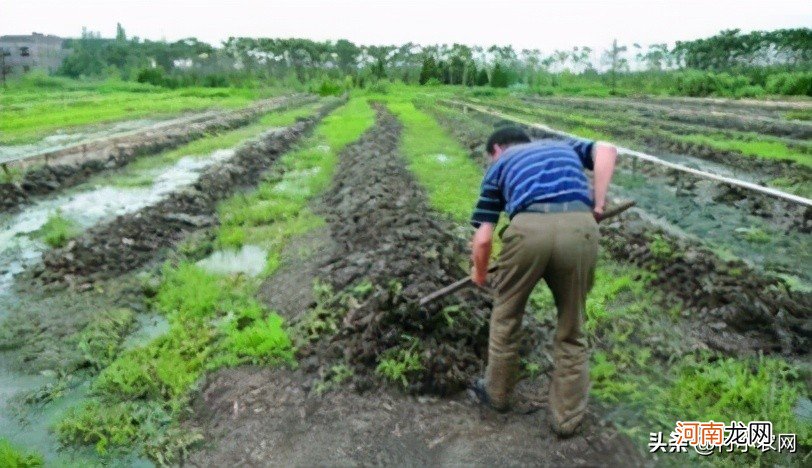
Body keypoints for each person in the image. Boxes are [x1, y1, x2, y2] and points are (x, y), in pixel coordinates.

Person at [468, 126, 617, 437]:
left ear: (496, 149)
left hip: (528, 230)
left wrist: (480, 274)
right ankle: (567, 419)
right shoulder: (562, 145)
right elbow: (606, 150)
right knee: (572, 325)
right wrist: (599, 205)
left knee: (507, 316)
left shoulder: (499, 165)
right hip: (580, 228)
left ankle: (496, 395)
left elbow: (483, 240)